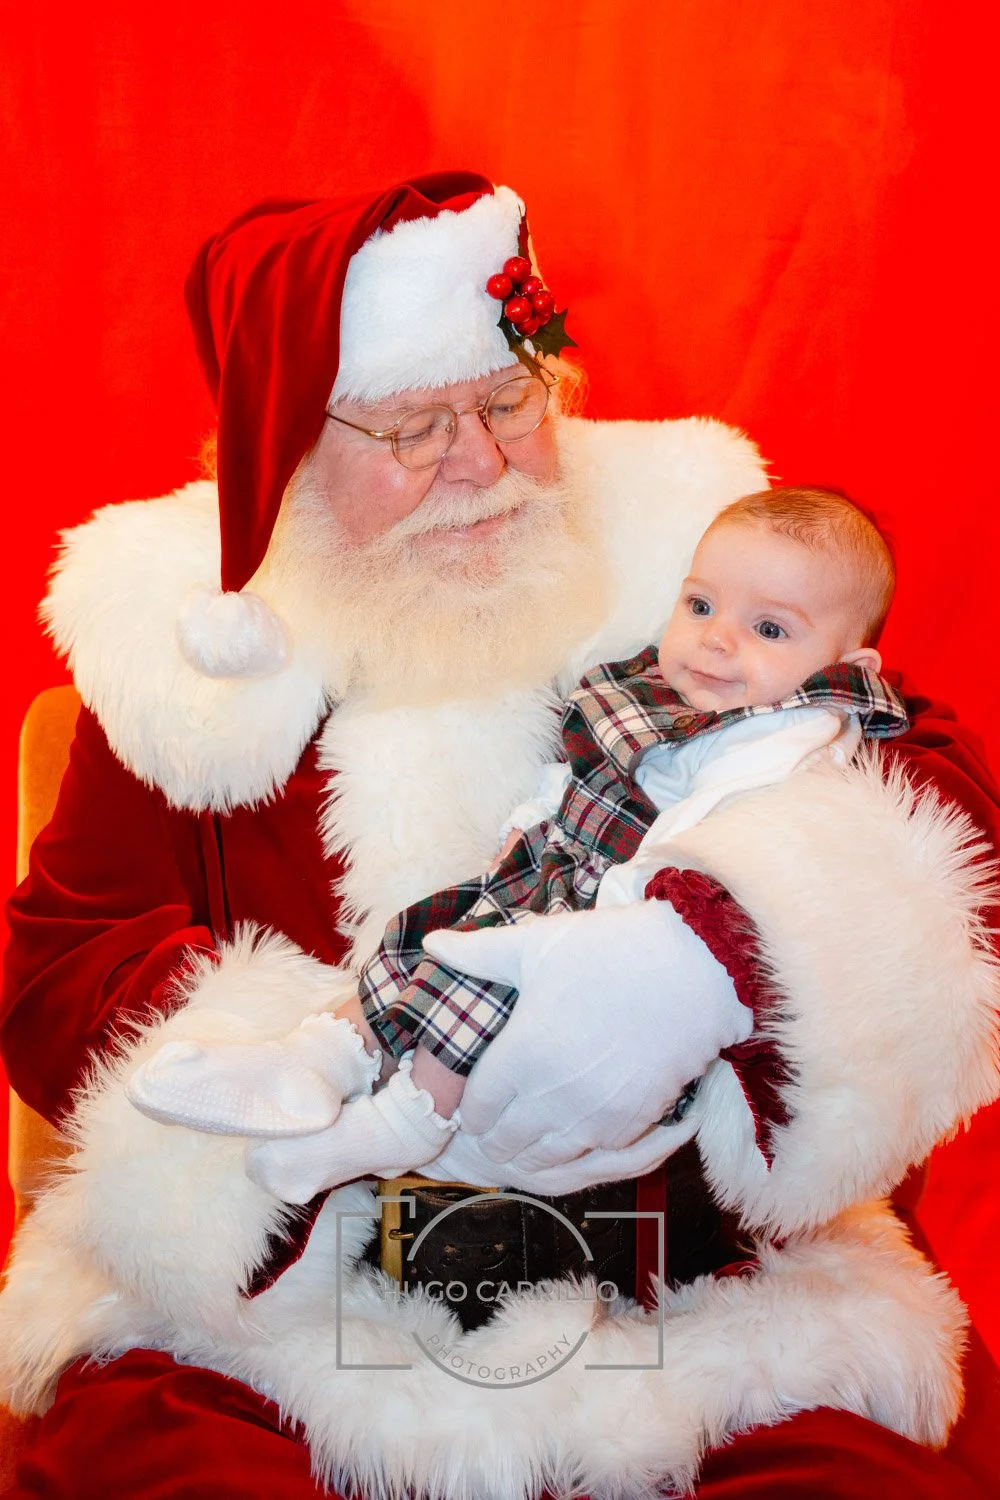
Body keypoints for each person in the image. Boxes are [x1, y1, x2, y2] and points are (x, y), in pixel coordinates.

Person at [0, 173, 998, 1500]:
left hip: (692, 1291)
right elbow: (71, 958)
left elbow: (934, 806)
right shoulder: (188, 659)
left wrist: (711, 962)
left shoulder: (691, 572)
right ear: (289, 449)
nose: (475, 466)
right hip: (287, 1315)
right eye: (412, 427)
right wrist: (347, 1068)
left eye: (508, 404)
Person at [124, 485, 910, 1175]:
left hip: (613, 919)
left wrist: (635, 914)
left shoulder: (787, 735)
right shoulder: (658, 686)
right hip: (550, 862)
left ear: (848, 666)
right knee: (420, 933)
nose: (716, 639)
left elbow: (718, 833)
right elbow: (577, 768)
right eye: (701, 605)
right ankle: (317, 1056)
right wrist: (530, 821)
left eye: (769, 630)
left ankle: (406, 1122)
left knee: (478, 990)